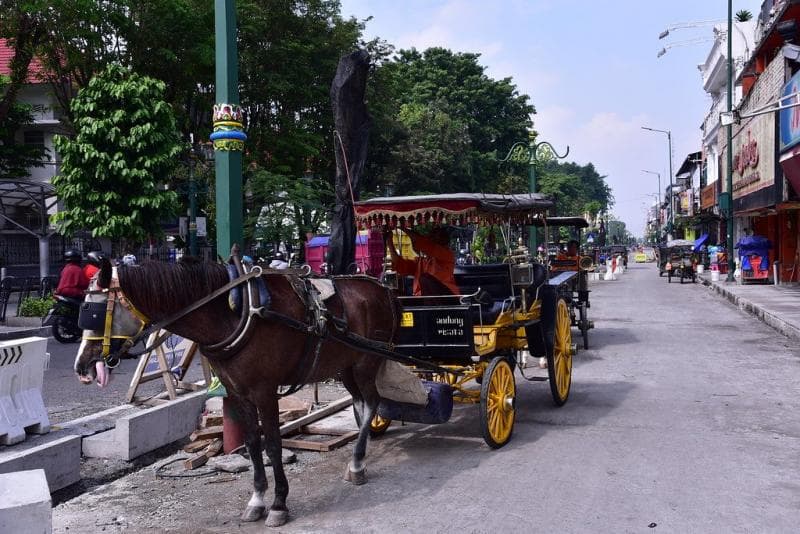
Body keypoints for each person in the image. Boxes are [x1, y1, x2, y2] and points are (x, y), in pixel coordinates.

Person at [384, 226, 459, 296]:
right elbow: (399, 264)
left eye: (433, 237)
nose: (430, 239)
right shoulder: (421, 261)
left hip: (446, 297)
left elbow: (423, 243)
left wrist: (401, 227)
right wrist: (389, 241)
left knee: (425, 278)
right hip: (422, 299)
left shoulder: (447, 255)